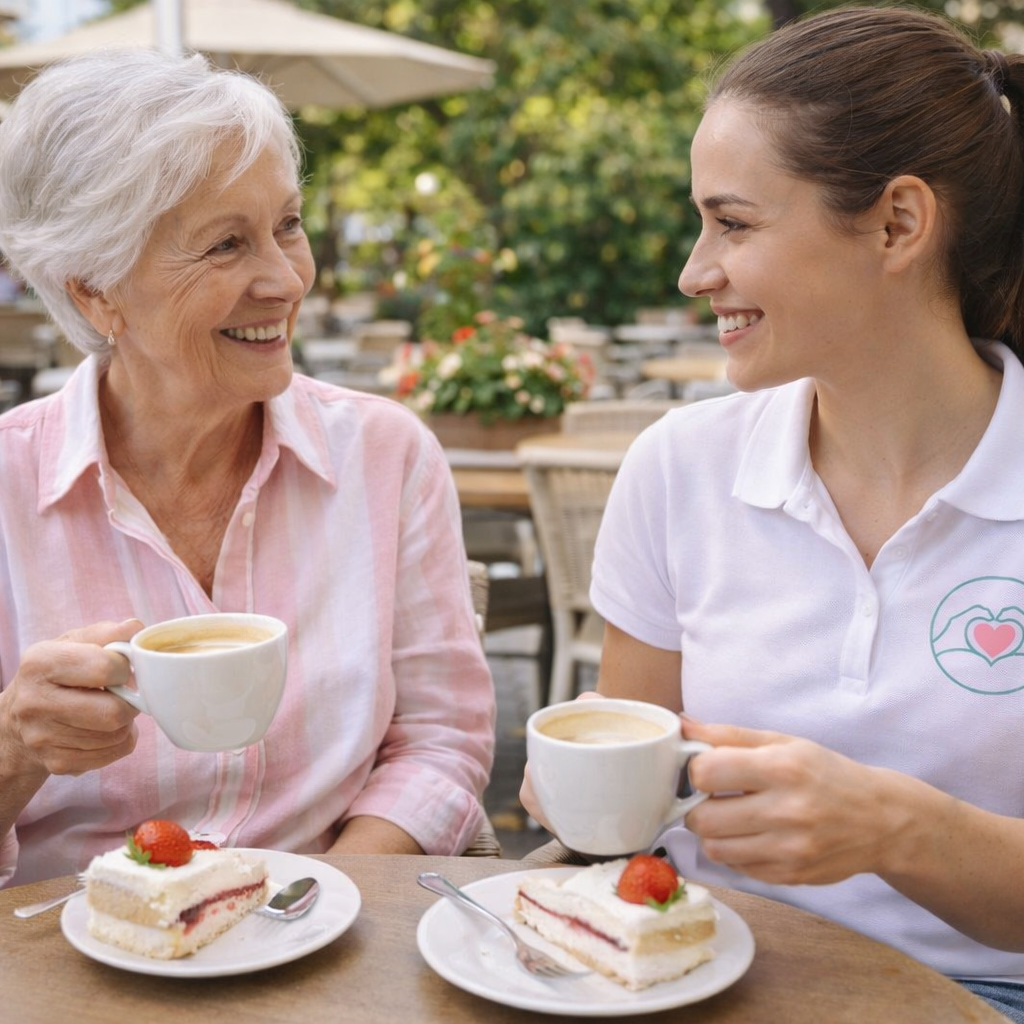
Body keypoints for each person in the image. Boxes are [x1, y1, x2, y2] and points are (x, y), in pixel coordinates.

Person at [520, 6, 1024, 1020]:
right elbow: (630, 823)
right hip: (703, 971)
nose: (693, 270)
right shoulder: (677, 469)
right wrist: (590, 800)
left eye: (734, 223)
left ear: (897, 223)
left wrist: (894, 828)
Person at [0, 49, 495, 886]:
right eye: (226, 244)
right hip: (68, 946)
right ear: (93, 291)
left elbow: (441, 744)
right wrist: (15, 745)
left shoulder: (385, 455)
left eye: (288, 225)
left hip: (325, 925)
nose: (287, 279)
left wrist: (313, 903)